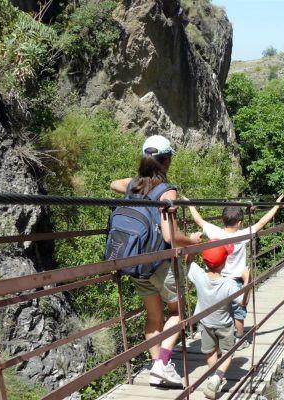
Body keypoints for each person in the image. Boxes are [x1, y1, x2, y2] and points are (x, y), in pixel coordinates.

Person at [110, 135, 202, 387]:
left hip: (136, 261)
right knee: (178, 311)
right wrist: (193, 241)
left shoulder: (133, 186)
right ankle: (162, 363)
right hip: (160, 264)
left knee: (153, 317)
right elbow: (170, 236)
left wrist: (134, 186)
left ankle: (156, 368)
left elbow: (112, 184)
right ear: (165, 160)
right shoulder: (166, 190)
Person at [187, 194, 284, 347]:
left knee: (217, 308)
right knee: (239, 310)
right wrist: (276, 205)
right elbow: (262, 222)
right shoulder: (242, 235)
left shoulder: (215, 232)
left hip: (217, 278)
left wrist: (190, 203)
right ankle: (240, 337)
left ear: (223, 219)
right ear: (239, 223)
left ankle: (215, 336)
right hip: (236, 280)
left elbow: (198, 220)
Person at [186, 241, 238, 399]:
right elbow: (243, 301)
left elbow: (188, 261)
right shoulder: (230, 284)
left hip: (205, 322)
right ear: (224, 263)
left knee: (209, 351)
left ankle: (213, 376)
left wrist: (193, 244)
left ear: (204, 261)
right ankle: (217, 377)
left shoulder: (199, 276)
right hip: (225, 324)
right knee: (228, 352)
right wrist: (248, 280)